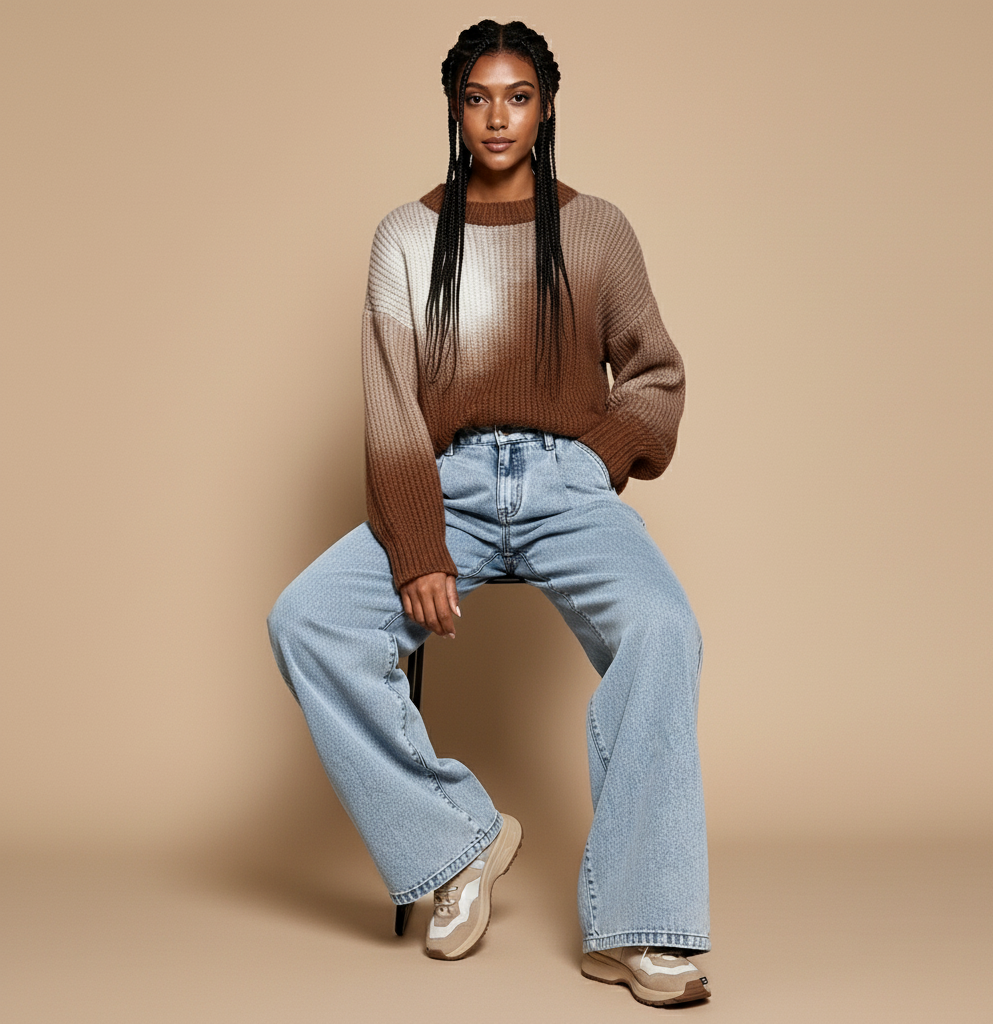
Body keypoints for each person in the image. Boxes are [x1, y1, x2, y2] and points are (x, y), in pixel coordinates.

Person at [267, 19, 710, 1007]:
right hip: (449, 489)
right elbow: (391, 404)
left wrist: (591, 462)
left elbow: (655, 375)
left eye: (517, 97)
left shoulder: (597, 231)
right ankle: (457, 840)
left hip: (566, 488)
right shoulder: (405, 236)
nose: (497, 117)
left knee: (664, 630)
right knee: (305, 619)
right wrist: (418, 544)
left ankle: (638, 926)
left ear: (545, 108)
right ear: (454, 109)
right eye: (477, 97)